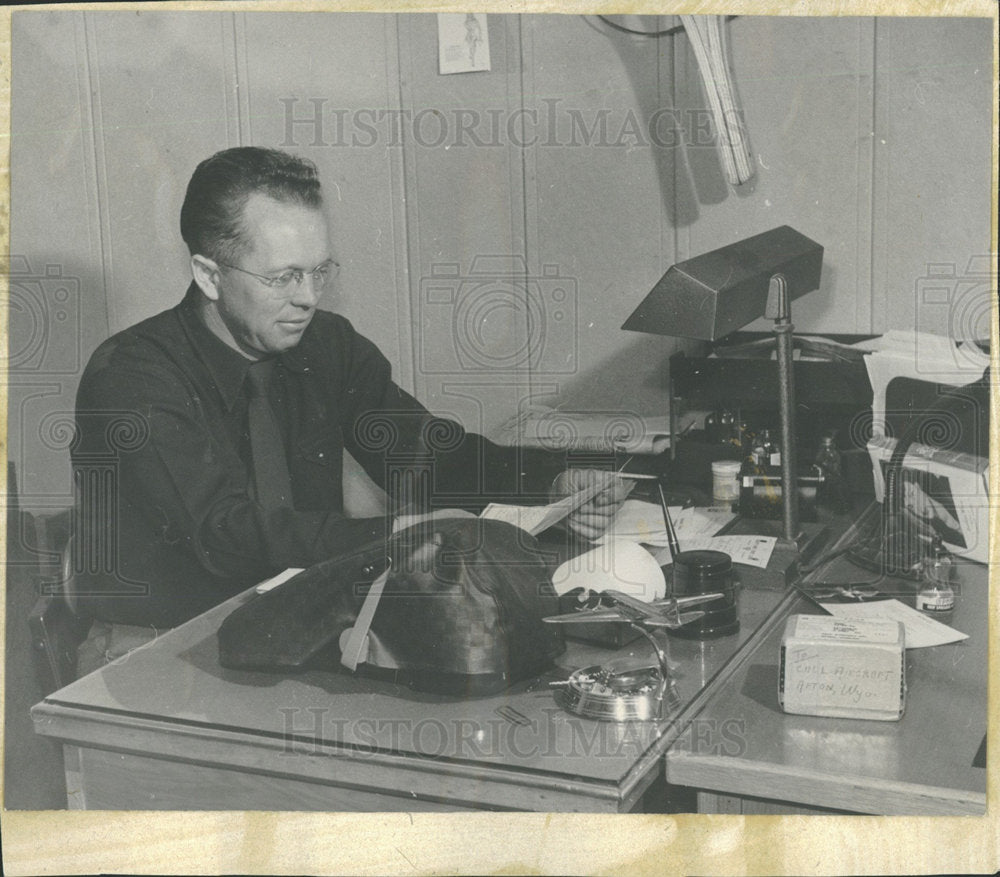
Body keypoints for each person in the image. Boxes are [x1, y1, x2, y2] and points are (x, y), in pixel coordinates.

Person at [71, 147, 630, 667]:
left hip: (300, 617)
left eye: (320, 271)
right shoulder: (131, 377)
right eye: (283, 277)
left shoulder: (325, 344)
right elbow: (225, 534)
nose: (309, 297)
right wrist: (402, 533)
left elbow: (425, 452)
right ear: (208, 274)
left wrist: (547, 482)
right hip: (161, 646)